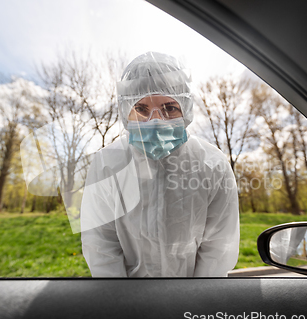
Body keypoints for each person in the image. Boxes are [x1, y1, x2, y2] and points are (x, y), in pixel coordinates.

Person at [80, 52, 239, 277]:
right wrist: (121, 302)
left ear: (186, 108)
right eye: (141, 109)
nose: (155, 120)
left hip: (193, 300)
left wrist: (199, 301)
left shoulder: (212, 164)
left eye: (169, 108)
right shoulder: (107, 163)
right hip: (128, 301)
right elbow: (100, 242)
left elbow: (218, 246)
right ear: (126, 112)